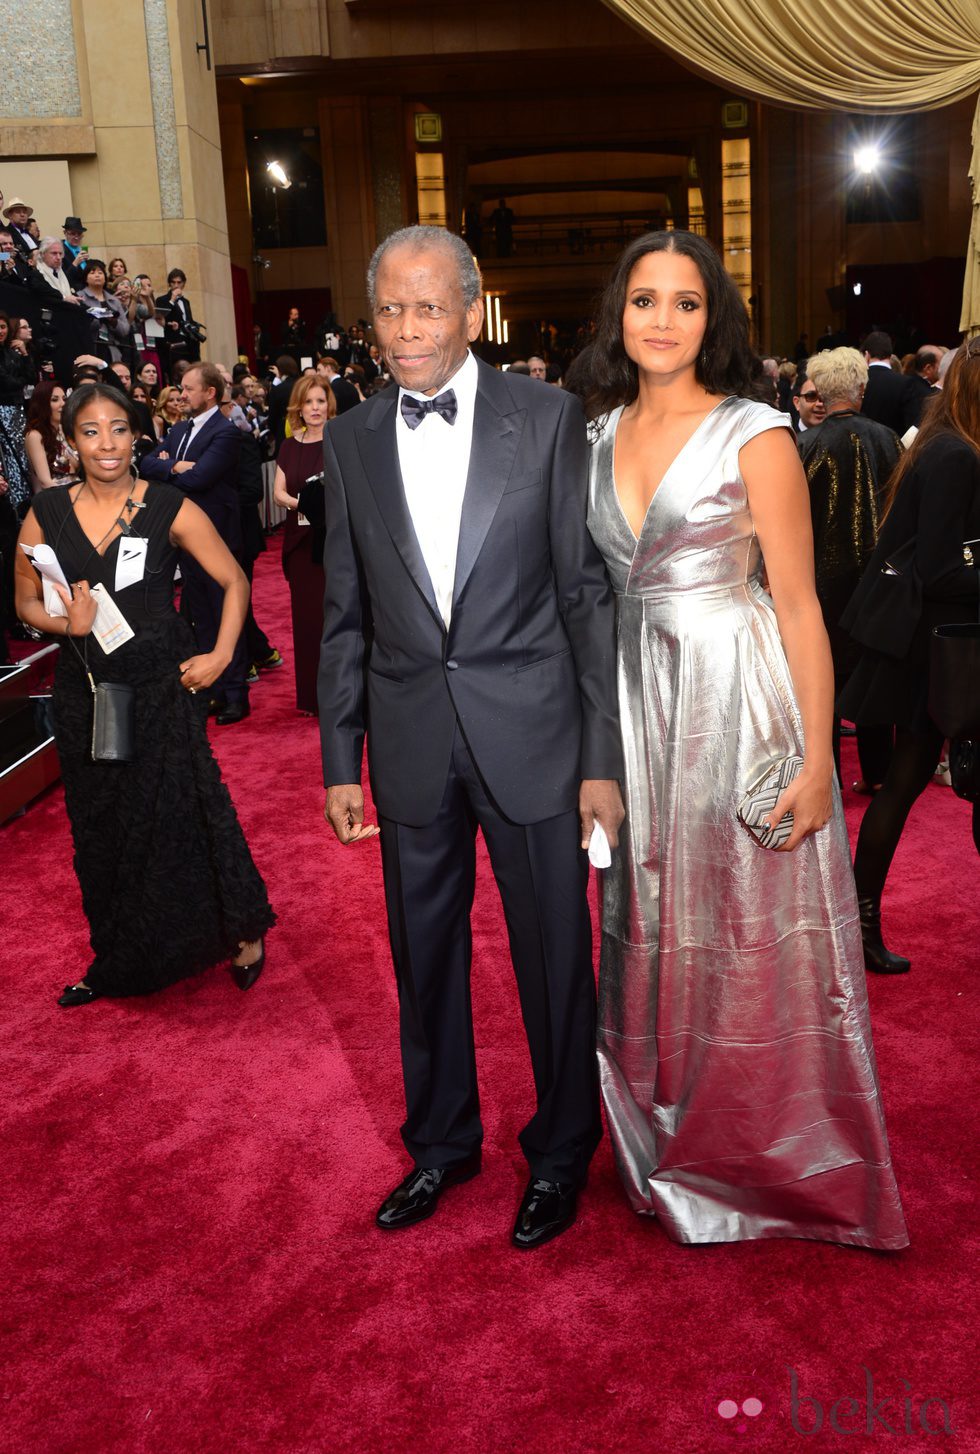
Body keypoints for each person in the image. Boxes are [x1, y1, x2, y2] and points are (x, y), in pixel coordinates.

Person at [576, 229, 907, 1249]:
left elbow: (800, 605)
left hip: (732, 692)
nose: (662, 320)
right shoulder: (590, 436)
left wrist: (819, 761)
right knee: (650, 916)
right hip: (635, 707)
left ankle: (770, 1150)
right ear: (617, 315)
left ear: (712, 318)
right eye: (643, 300)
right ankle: (665, 1135)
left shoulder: (755, 431)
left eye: (684, 301)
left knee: (745, 922)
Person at [318, 224, 624, 1250]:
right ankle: (441, 1142)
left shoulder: (546, 419)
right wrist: (339, 756)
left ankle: (559, 1150)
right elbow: (344, 611)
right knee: (423, 956)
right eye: (390, 309)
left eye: (428, 306)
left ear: (472, 309)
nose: (407, 329)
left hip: (533, 733)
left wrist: (599, 758)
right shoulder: (351, 436)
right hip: (408, 741)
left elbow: (584, 597)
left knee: (552, 956)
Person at [14, 383, 273, 1005]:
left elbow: (234, 580)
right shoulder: (45, 513)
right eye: (90, 431)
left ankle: (240, 934)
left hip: (161, 683)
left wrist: (218, 656)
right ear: (70, 443)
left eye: (119, 429)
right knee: (104, 823)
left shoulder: (169, 505)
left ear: (138, 435)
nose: (107, 443)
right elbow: (24, 599)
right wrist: (60, 623)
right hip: (87, 687)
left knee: (182, 808)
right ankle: (120, 957)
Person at [839, 341, 980, 972]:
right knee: (903, 783)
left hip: (945, 647)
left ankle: (857, 927)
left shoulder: (947, 445)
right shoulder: (953, 454)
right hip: (943, 653)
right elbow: (941, 566)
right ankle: (858, 925)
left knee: (906, 782)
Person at [799, 347, 901, 790]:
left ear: (819, 390)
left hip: (820, 583)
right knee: (875, 675)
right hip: (880, 581)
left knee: (822, 679)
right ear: (861, 387)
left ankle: (829, 775)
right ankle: (878, 773)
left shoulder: (805, 446)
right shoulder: (888, 438)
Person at [141, 363, 251, 724]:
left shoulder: (226, 432)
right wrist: (176, 467)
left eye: (188, 389)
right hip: (183, 537)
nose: (181, 395)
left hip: (218, 535)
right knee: (200, 614)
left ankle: (236, 693)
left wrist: (170, 467)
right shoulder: (178, 429)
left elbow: (202, 478)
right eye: (181, 388)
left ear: (210, 394)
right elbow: (145, 465)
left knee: (225, 613)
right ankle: (213, 691)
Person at [273, 374, 334, 713]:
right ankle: (312, 696)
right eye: (309, 402)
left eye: (320, 401)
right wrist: (307, 504)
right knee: (306, 620)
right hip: (299, 542)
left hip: (332, 540)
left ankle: (340, 692)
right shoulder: (289, 445)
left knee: (334, 618)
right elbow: (278, 494)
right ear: (299, 405)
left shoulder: (339, 440)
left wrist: (314, 505)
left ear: (328, 405)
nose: (315, 408)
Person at [24, 381, 79, 490]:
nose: (63, 403)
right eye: (55, 400)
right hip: (56, 499)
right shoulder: (35, 435)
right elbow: (45, 482)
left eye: (64, 399)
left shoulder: (65, 430)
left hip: (80, 493)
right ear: (42, 404)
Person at [77, 258, 131, 362]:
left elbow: (125, 329)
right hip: (90, 348)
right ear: (86, 278)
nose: (97, 275)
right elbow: (79, 326)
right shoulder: (80, 297)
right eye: (92, 273)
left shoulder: (113, 300)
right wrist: (99, 318)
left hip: (112, 349)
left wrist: (113, 321)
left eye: (100, 273)